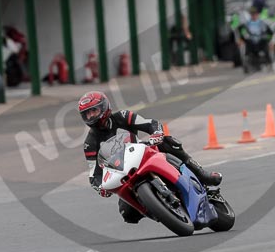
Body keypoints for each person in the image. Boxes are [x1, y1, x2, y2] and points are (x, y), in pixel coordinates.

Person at [79, 91, 222, 224]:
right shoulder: (89, 143)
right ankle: (157, 208)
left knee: (167, 142)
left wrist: (156, 134)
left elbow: (150, 123)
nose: (91, 116)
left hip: (142, 154)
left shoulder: (122, 116)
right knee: (126, 213)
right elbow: (94, 174)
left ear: (104, 107)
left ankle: (202, 174)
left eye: (94, 111)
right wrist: (100, 187)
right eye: (87, 114)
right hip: (123, 173)